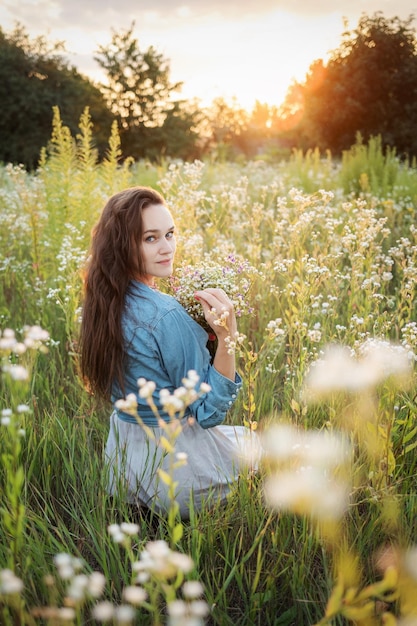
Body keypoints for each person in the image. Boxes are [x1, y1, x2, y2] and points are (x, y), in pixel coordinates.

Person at [79, 186, 254, 519]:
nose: (167, 248)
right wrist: (226, 335)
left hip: (124, 470)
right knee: (272, 452)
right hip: (181, 476)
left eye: (170, 234)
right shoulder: (167, 315)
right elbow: (208, 413)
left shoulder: (102, 300)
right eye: (150, 238)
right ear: (121, 244)